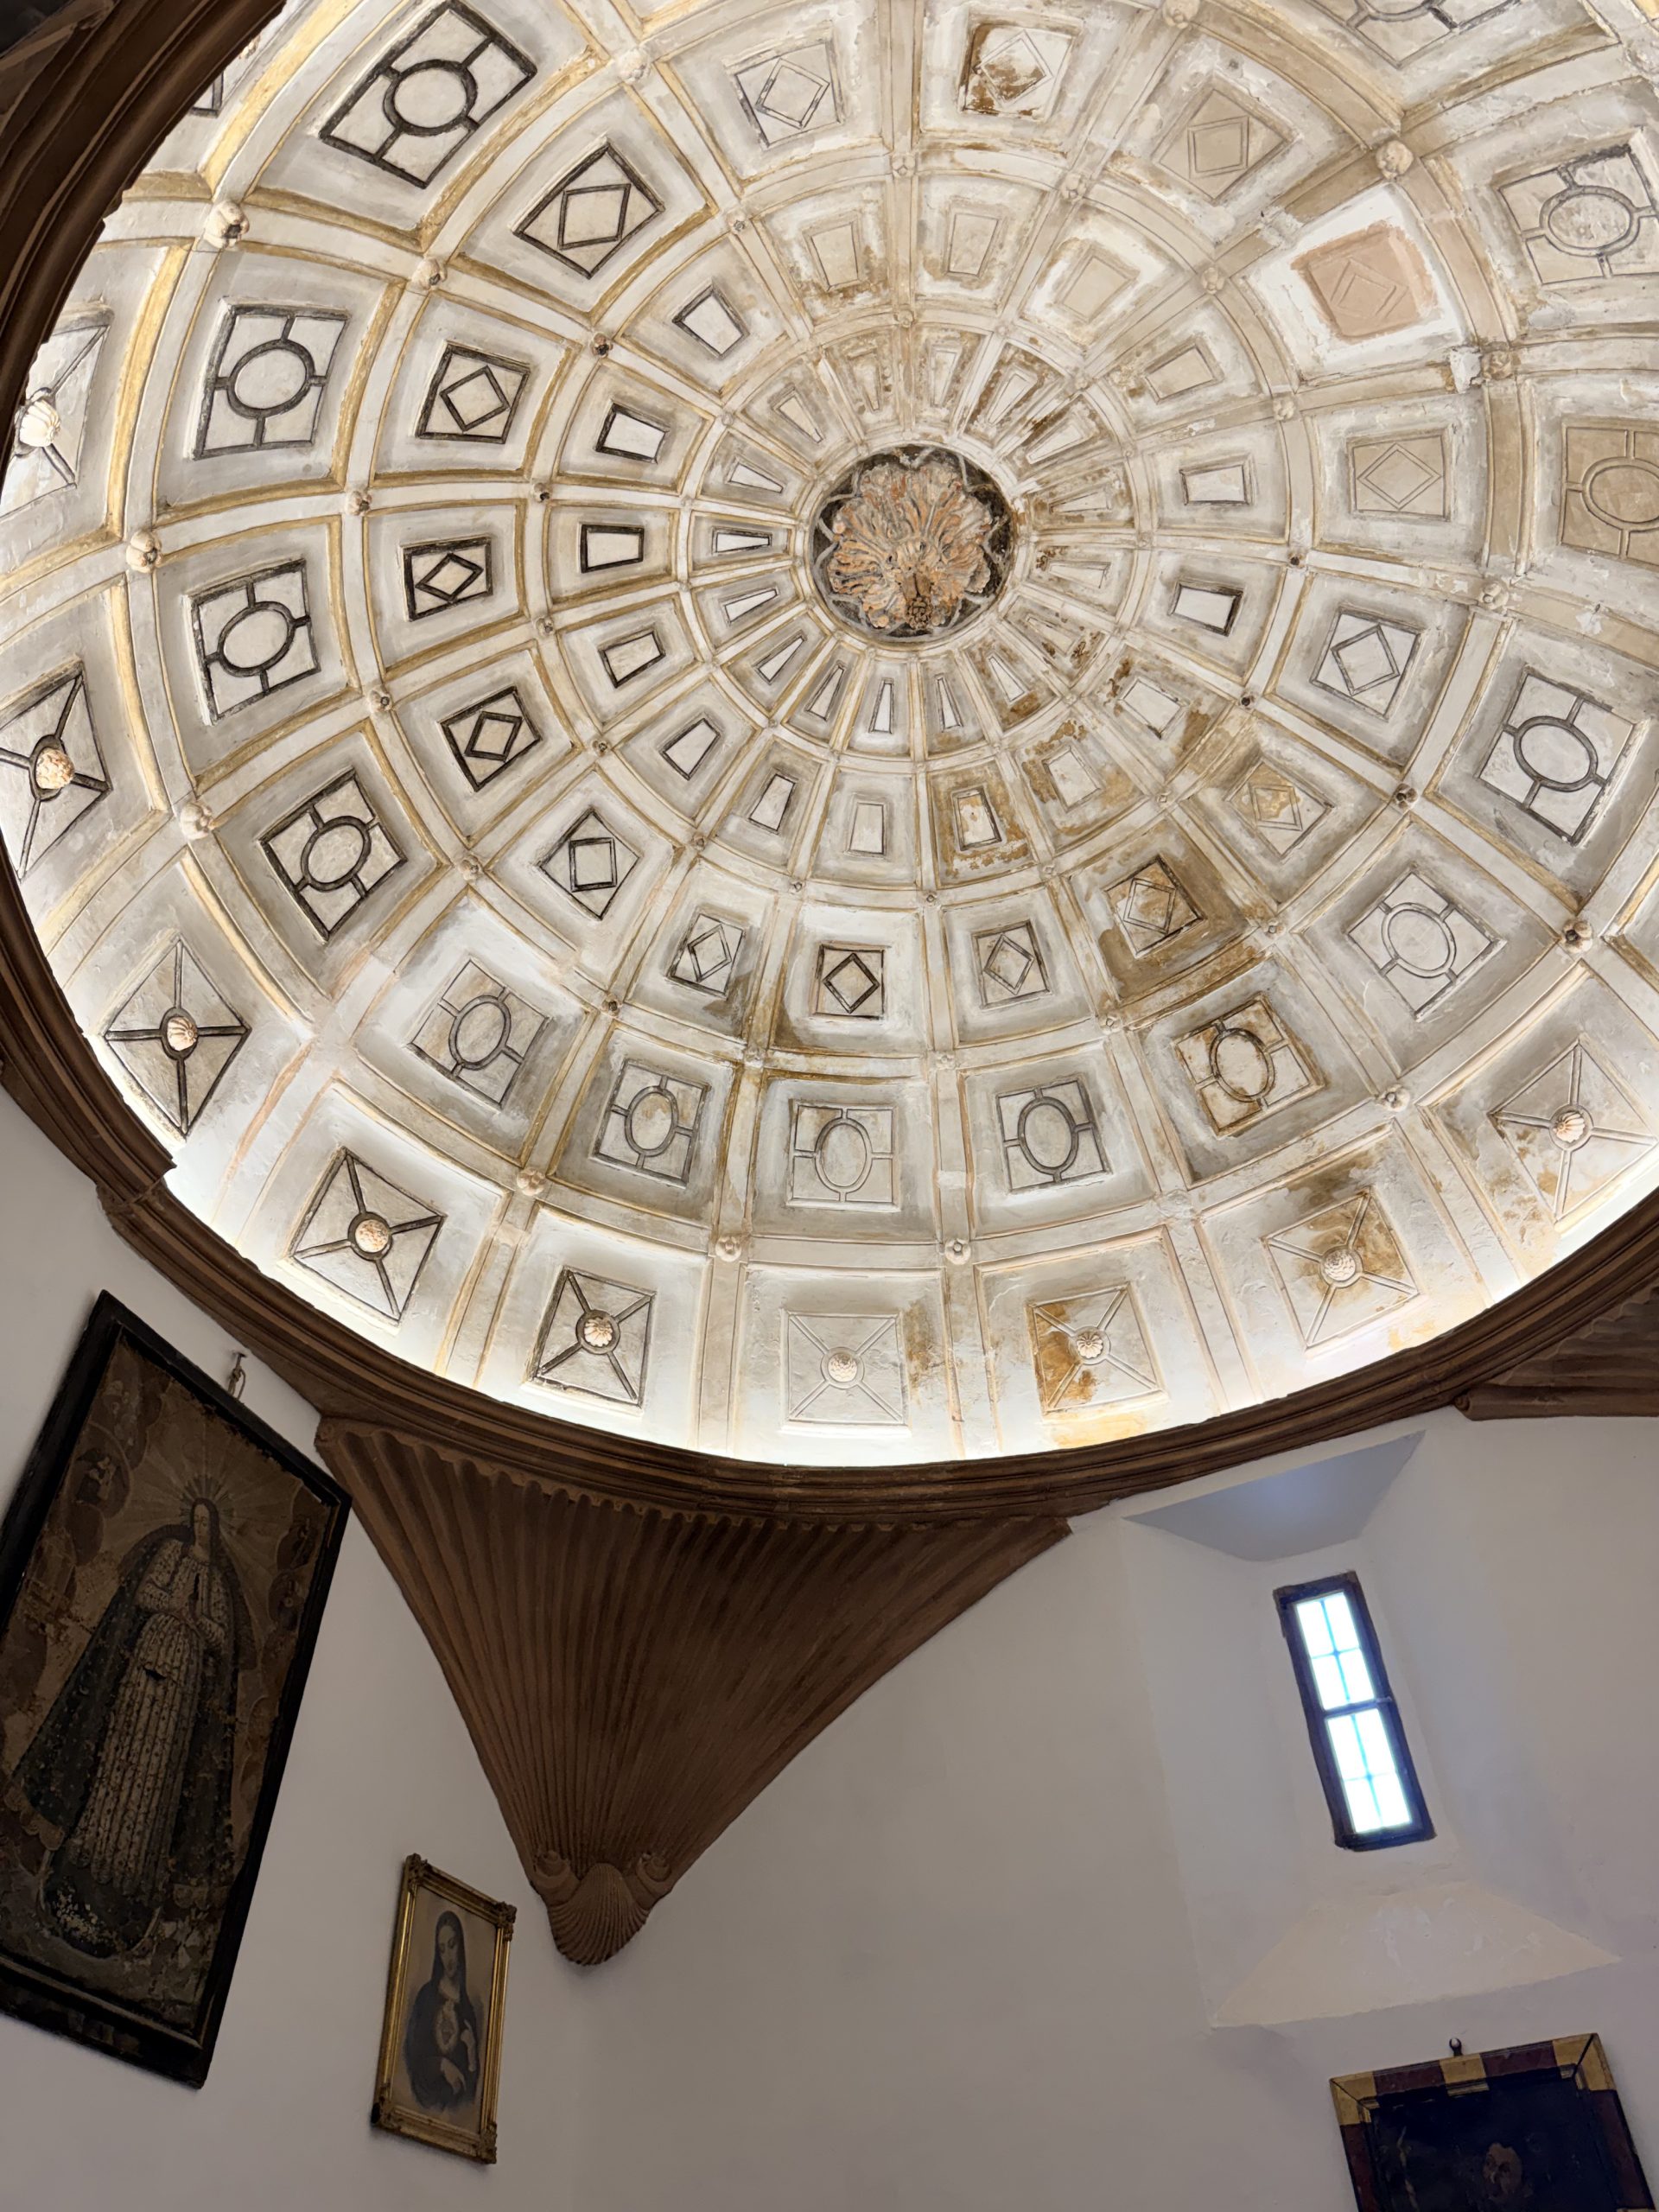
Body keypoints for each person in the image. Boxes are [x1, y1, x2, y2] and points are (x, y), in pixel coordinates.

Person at [17, 1494, 247, 1957]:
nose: (200, 1529)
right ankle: (85, 1857)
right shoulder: (170, 1554)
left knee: (158, 1776)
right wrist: (173, 1606)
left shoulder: (219, 1584)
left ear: (216, 1531)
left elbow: (222, 1637)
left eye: (207, 1524)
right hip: (150, 1655)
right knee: (122, 1758)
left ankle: (132, 1882)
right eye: (196, 1521)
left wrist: (198, 1622)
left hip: (183, 1683)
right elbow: (144, 1593)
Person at [404, 1909, 480, 2113]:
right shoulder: (426, 1997)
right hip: (426, 2103)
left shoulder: (467, 2010)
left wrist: (472, 2053)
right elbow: (412, 2056)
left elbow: (471, 2093)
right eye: (442, 1949)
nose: (448, 1957)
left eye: (452, 1946)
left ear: (460, 1948)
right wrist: (441, 2066)